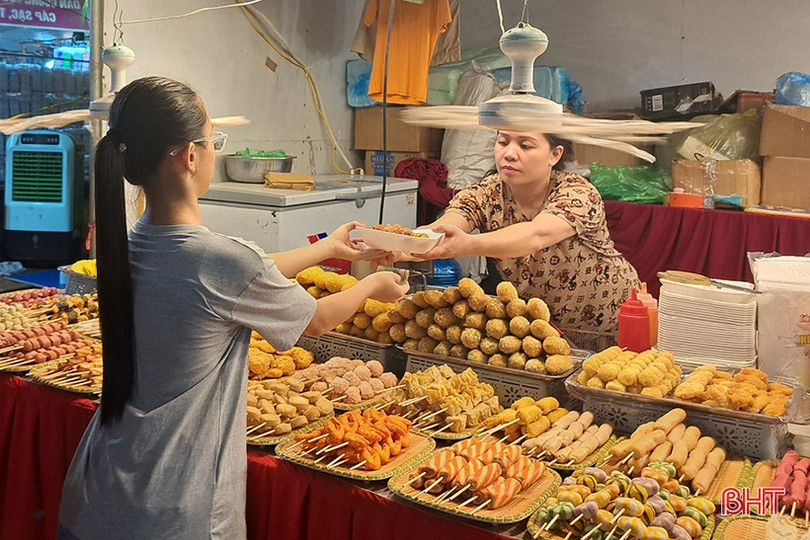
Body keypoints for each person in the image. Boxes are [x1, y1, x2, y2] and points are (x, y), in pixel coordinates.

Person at [57, 76, 408, 540]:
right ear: (189, 156)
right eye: (213, 139)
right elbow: (318, 320)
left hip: (100, 494)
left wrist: (328, 247)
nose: (215, 150)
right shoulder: (221, 261)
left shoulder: (130, 244)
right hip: (176, 509)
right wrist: (374, 285)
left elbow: (240, 276)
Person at [414, 130, 640, 333]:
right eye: (503, 142)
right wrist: (405, 244)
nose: (509, 154)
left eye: (525, 145)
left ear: (555, 155)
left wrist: (468, 244)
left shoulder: (578, 192)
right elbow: (445, 227)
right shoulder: (487, 192)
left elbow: (536, 235)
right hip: (543, 327)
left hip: (614, 321)